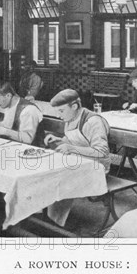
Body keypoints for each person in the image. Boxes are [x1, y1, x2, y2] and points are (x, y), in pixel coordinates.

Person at [44, 89, 111, 226]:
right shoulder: (71, 117)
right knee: (46, 171)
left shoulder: (93, 121)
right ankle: (42, 216)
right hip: (79, 161)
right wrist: (60, 140)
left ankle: (54, 224)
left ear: (74, 106)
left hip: (97, 167)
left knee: (59, 178)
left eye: (61, 111)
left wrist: (71, 148)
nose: (58, 115)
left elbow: (102, 151)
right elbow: (74, 139)